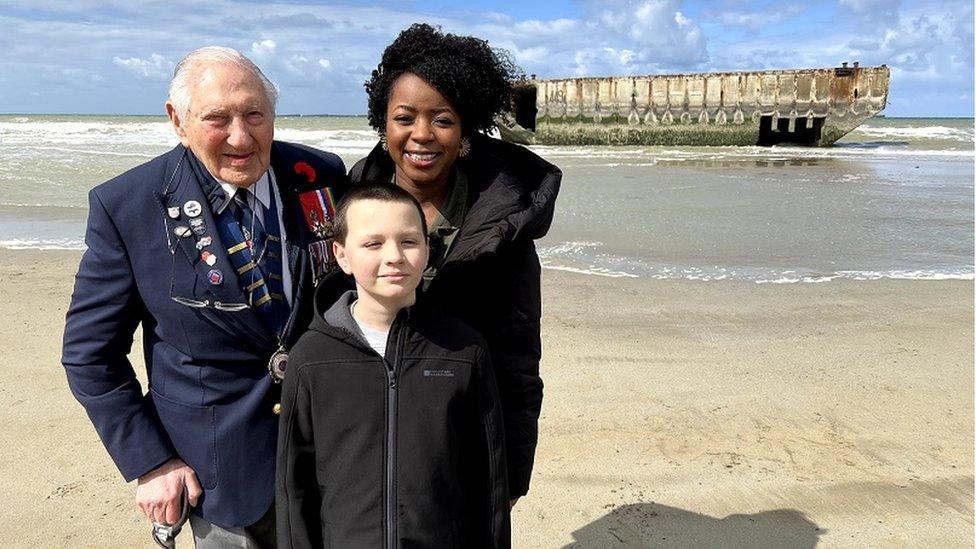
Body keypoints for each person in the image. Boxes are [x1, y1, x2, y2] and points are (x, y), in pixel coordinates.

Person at [61, 46, 347, 547]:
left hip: (335, 454)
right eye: (217, 118)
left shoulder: (320, 175)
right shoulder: (128, 205)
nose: (241, 136)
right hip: (218, 471)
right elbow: (90, 355)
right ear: (177, 120)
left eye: (254, 114)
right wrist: (149, 461)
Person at [350, 23, 561, 505]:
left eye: (441, 119)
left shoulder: (503, 228)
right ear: (383, 124)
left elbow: (518, 358)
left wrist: (510, 473)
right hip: (372, 433)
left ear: (464, 129)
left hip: (465, 435)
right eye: (405, 117)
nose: (421, 134)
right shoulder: (353, 204)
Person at [276, 183, 510, 548]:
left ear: (428, 249)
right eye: (373, 244)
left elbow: (488, 481)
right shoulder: (311, 358)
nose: (394, 256)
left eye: (408, 242)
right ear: (341, 255)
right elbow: (295, 486)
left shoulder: (463, 351)